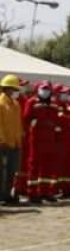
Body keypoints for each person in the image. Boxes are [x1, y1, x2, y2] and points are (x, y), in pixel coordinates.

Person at [23, 81, 59, 203]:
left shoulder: (53, 103)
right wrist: (39, 124)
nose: (46, 91)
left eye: (48, 89)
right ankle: (32, 193)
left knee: (48, 166)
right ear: (38, 90)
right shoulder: (31, 102)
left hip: (50, 139)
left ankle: (45, 192)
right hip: (36, 139)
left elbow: (57, 119)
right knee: (34, 165)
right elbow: (26, 119)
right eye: (43, 89)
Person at [0, 75, 23, 205]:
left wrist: (19, 139)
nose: (16, 91)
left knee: (12, 171)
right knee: (1, 172)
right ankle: (1, 196)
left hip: (15, 143)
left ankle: (8, 194)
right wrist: (1, 140)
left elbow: (17, 124)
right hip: (3, 144)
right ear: (6, 89)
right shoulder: (0, 103)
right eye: (14, 89)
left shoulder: (15, 104)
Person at [55, 86, 70, 196]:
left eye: (66, 93)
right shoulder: (55, 106)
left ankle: (67, 188)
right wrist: (69, 119)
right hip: (58, 141)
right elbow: (61, 119)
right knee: (58, 166)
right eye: (63, 93)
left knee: (68, 166)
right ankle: (55, 188)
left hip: (68, 141)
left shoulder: (68, 107)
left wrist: (68, 118)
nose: (66, 95)